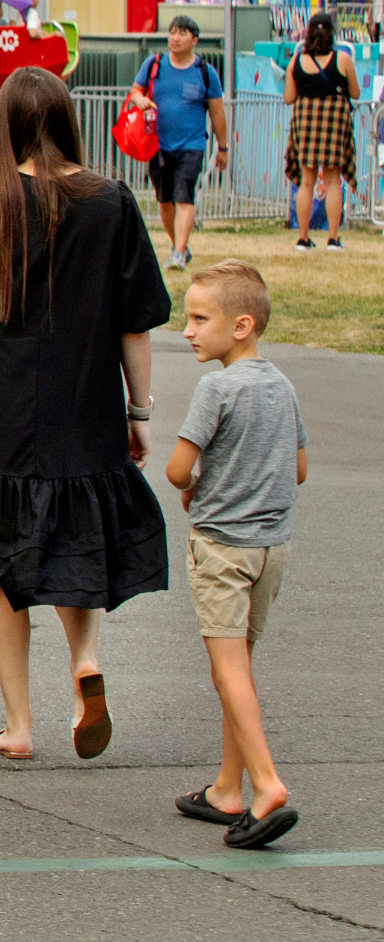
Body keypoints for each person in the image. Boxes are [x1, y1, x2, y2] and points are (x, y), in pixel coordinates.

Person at [0, 67, 170, 762]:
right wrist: (140, 410)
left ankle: (19, 722)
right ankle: (87, 661)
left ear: (3, 122)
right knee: (78, 547)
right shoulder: (111, 201)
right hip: (85, 398)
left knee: (1, 568)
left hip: (4, 403)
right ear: (67, 118)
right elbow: (137, 321)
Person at [165, 260, 307, 850]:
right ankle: (228, 787)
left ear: (241, 325)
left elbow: (176, 470)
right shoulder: (283, 384)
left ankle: (267, 785)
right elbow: (297, 469)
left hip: (222, 549)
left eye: (200, 318)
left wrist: (195, 481)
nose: (188, 330)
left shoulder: (216, 387)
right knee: (240, 670)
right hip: (273, 550)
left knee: (227, 671)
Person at [126, 14, 230, 269]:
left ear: (194, 40)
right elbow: (135, 90)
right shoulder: (154, 64)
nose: (175, 38)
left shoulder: (206, 73)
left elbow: (217, 112)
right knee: (164, 200)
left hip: (191, 145)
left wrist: (223, 148)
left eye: (182, 33)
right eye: (172, 32)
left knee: (185, 196)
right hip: (158, 145)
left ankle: (179, 254)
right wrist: (138, 99)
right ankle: (177, 245)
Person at [284, 10, 356, 250]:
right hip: (334, 121)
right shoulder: (342, 59)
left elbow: (289, 97)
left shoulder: (297, 62)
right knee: (334, 180)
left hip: (305, 121)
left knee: (306, 181)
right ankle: (333, 239)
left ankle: (303, 238)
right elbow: (355, 93)